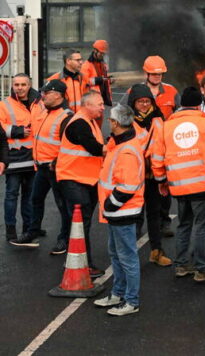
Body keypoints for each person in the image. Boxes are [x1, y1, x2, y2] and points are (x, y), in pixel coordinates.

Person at [151, 86, 205, 283]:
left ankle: (181, 265)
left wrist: (161, 180)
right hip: (202, 185)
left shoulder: (166, 126)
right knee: (204, 227)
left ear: (180, 104)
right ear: (200, 104)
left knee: (184, 224)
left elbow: (157, 157)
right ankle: (202, 269)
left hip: (178, 186)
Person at [92, 104, 145, 316]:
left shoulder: (127, 150)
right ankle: (118, 293)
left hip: (123, 211)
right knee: (117, 254)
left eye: (110, 120)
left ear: (115, 123)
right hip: (117, 212)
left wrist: (109, 204)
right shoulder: (121, 145)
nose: (108, 123)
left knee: (127, 257)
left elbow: (128, 186)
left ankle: (131, 301)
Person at [56, 91, 105, 277]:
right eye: (99, 104)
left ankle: (79, 260)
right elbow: (95, 148)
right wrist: (119, 147)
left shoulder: (90, 122)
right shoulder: (79, 124)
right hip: (73, 179)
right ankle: (83, 264)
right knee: (80, 222)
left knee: (82, 223)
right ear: (87, 106)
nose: (102, 107)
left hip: (87, 179)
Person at [127, 84, 171, 266]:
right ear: (133, 103)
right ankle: (127, 254)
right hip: (132, 177)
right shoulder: (126, 121)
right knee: (132, 216)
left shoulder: (159, 120)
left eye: (147, 101)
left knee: (154, 214)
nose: (144, 105)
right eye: (140, 102)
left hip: (152, 176)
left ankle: (156, 251)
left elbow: (164, 145)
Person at [29, 80, 72, 254]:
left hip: (56, 169)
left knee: (63, 206)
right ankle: (33, 231)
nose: (43, 95)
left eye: (46, 93)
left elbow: (68, 147)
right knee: (36, 199)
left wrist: (57, 163)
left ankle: (65, 238)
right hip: (41, 167)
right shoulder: (45, 112)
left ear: (58, 95)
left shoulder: (66, 116)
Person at [3, 74, 40, 246]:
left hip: (32, 157)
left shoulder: (38, 103)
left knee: (29, 196)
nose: (19, 87)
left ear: (29, 85)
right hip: (13, 157)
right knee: (11, 195)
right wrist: (16, 131)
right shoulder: (4, 104)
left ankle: (28, 229)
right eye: (16, 84)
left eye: (23, 84)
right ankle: (11, 230)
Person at [81, 40, 113, 108]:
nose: (102, 55)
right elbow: (84, 81)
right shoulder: (86, 65)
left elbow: (104, 79)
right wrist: (99, 80)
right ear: (95, 51)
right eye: (101, 53)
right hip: (91, 99)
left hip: (100, 99)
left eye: (103, 54)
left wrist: (109, 80)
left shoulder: (103, 64)